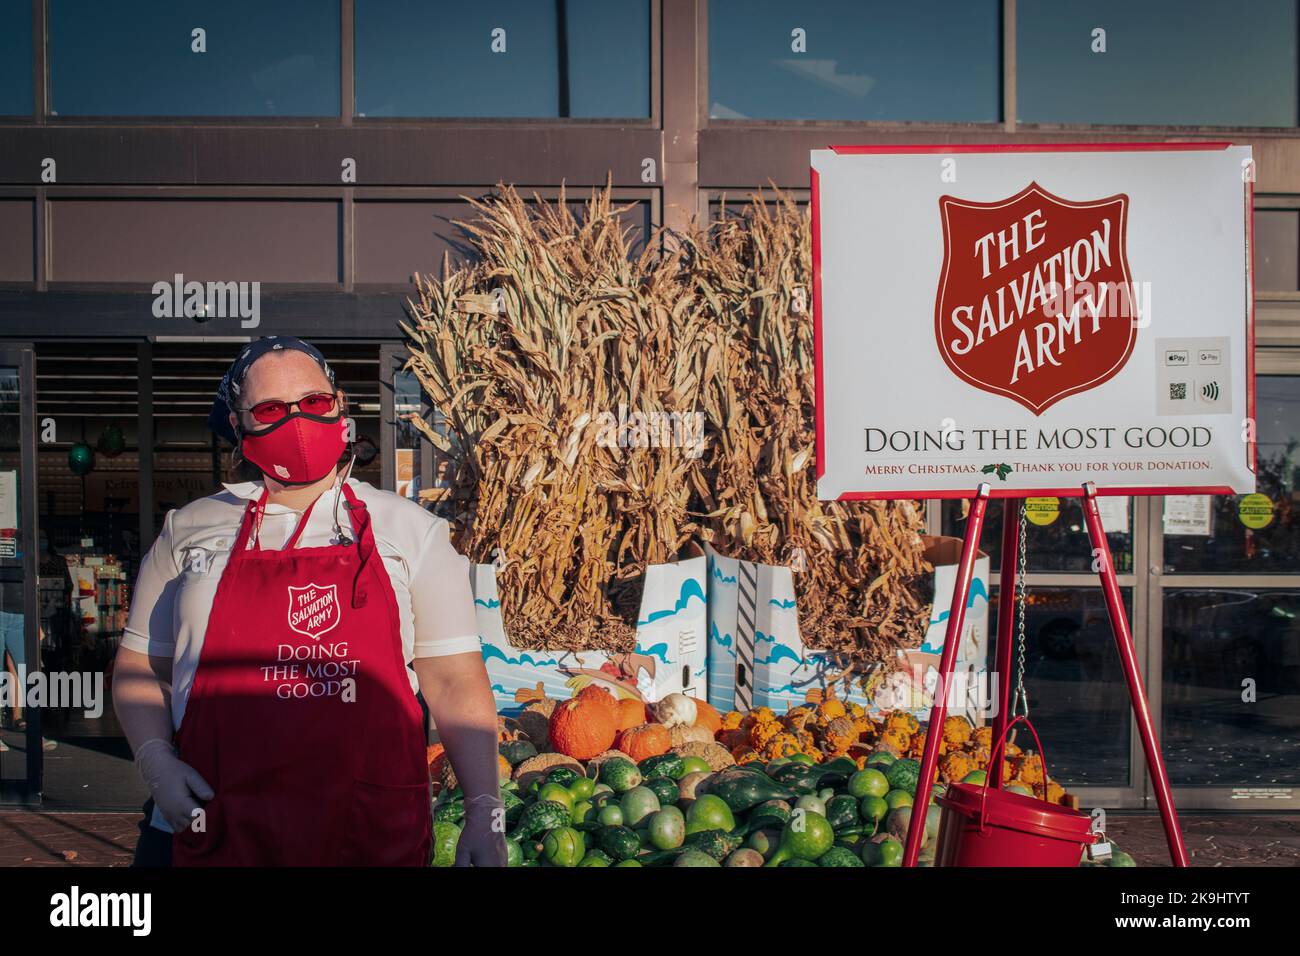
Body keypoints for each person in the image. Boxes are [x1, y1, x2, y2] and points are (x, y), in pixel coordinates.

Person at [112, 336, 505, 866]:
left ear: (339, 406)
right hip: (209, 823)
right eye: (271, 409)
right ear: (238, 423)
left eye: (314, 403)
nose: (296, 422)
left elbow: (455, 678)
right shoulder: (189, 528)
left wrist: (485, 811)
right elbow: (139, 665)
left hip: (364, 833)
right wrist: (156, 761)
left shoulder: (411, 530)